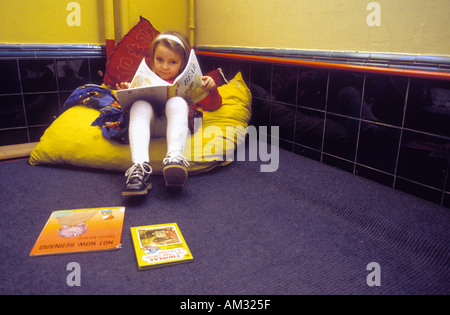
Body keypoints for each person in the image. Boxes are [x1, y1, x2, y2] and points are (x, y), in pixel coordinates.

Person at [116, 31, 221, 196]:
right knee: (139, 105)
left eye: (172, 62)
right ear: (152, 59)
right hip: (149, 126)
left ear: (182, 63)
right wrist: (127, 92)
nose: (165, 67)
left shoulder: (190, 82)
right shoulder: (145, 79)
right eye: (159, 60)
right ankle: (139, 169)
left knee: (177, 101)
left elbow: (213, 106)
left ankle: (174, 160)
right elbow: (125, 107)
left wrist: (212, 90)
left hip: (175, 127)